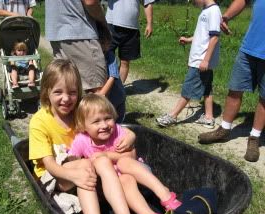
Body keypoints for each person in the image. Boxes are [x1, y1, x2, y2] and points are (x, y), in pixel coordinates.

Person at [29, 59, 139, 214]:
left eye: (72, 93)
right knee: (85, 166)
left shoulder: (80, 113)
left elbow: (111, 129)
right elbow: (49, 164)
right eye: (58, 92)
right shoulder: (40, 121)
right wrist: (73, 175)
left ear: (78, 92)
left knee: (100, 166)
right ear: (46, 92)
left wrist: (131, 135)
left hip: (85, 168)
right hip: (54, 177)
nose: (66, 99)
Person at [69, 93, 182, 214]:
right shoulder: (82, 141)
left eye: (108, 118)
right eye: (96, 122)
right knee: (124, 179)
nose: (104, 125)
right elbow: (71, 162)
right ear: (83, 126)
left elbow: (132, 155)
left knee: (123, 163)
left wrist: (107, 155)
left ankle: (165, 194)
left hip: (140, 177)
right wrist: (86, 162)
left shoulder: (117, 131)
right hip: (114, 188)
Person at [198, 0, 265, 163]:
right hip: (248, 49)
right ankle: (224, 129)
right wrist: (226, 16)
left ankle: (254, 138)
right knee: (235, 89)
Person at [156, 0, 221, 129]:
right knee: (207, 88)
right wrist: (189, 40)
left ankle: (172, 116)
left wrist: (206, 60)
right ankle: (209, 117)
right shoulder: (206, 10)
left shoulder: (213, 11)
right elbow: (203, 35)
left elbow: (214, 37)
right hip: (201, 59)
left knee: (188, 88)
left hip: (200, 60)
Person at [45, 0, 111, 92]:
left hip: (56, 31)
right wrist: (103, 22)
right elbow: (90, 2)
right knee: (96, 94)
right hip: (80, 31)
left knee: (66, 92)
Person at [105, 0, 154, 83]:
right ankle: (104, 88)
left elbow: (147, 4)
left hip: (132, 28)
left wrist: (149, 24)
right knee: (106, 57)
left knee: (125, 61)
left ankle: (119, 89)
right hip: (111, 24)